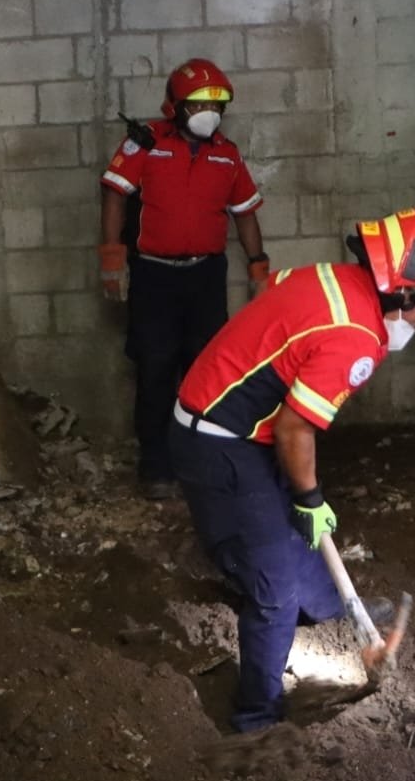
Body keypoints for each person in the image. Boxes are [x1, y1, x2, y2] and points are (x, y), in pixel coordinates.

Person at [170, 206, 415, 732]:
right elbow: (295, 429)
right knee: (274, 591)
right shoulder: (356, 337)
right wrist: (310, 498)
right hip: (220, 442)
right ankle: (256, 718)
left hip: (228, 419)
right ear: (403, 292)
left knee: (293, 523)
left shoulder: (334, 277)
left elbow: (277, 298)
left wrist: (301, 494)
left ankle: (334, 606)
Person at [98, 58, 270, 500]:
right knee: (155, 369)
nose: (208, 113)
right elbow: (115, 195)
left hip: (206, 279)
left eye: (216, 105)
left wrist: (258, 267)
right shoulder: (146, 143)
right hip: (154, 277)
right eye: (197, 105)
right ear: (173, 106)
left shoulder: (226, 154)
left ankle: (201, 462)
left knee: (206, 370)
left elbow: (245, 215)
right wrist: (112, 259)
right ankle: (156, 466)